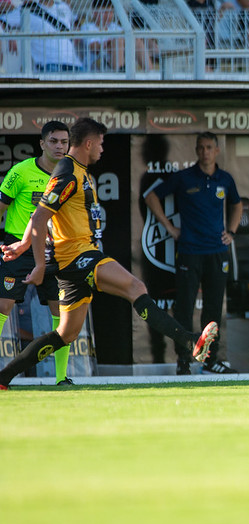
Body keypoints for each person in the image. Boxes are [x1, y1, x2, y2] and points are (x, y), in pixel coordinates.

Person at [0, 117, 218, 390]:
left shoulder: (76, 170)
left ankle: (3, 377)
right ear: (89, 143)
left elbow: (41, 211)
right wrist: (40, 266)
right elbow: (43, 215)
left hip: (73, 262)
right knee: (135, 286)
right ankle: (190, 341)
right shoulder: (68, 172)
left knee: (66, 334)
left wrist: (21, 245)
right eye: (101, 143)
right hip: (78, 257)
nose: (103, 149)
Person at [144, 132, 242, 375]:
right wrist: (169, 228)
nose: (205, 152)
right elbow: (151, 196)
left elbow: (237, 204)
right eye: (200, 148)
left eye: (209, 147)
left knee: (213, 308)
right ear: (196, 150)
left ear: (217, 151)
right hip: (189, 251)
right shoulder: (184, 177)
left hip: (217, 252)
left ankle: (210, 361)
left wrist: (231, 231)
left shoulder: (225, 179)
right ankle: (183, 359)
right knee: (185, 308)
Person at [0, 121, 72, 385]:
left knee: (62, 311)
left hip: (54, 250)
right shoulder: (20, 172)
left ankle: (62, 377)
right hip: (18, 247)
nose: (59, 146)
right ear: (42, 143)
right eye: (54, 141)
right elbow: (1, 206)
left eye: (64, 142)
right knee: (2, 305)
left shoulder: (70, 175)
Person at [3, 0, 83, 72]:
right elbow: (3, 21)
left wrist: (76, 35)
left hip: (74, 64)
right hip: (48, 65)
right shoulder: (26, 9)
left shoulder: (63, 6)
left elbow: (75, 22)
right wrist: (11, 34)